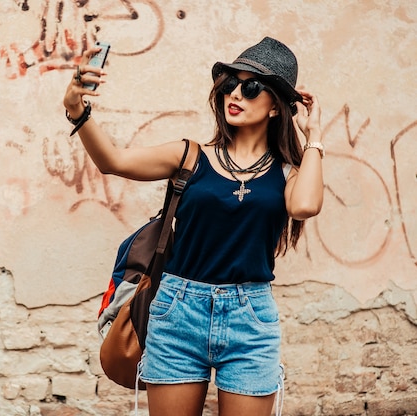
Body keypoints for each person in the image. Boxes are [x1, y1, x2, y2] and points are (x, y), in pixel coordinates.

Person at [63, 37, 323, 416]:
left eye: (252, 87)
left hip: (249, 319)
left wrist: (314, 136)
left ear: (276, 108)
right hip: (178, 311)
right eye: (229, 83)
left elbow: (304, 206)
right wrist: (77, 109)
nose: (236, 93)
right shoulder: (189, 155)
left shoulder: (288, 175)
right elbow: (112, 161)